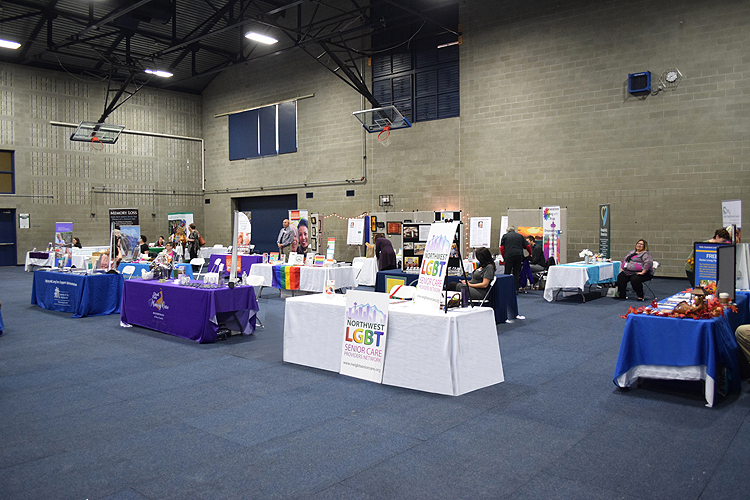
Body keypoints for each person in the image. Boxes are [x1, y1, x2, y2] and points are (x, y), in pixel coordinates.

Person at [500, 226, 532, 292]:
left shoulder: (505, 236)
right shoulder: (520, 236)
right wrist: (530, 253)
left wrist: (504, 257)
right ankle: (516, 289)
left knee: (507, 272)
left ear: (507, 231)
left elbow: (502, 248)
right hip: (519, 255)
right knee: (516, 273)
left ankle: (507, 289)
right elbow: (528, 246)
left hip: (509, 255)